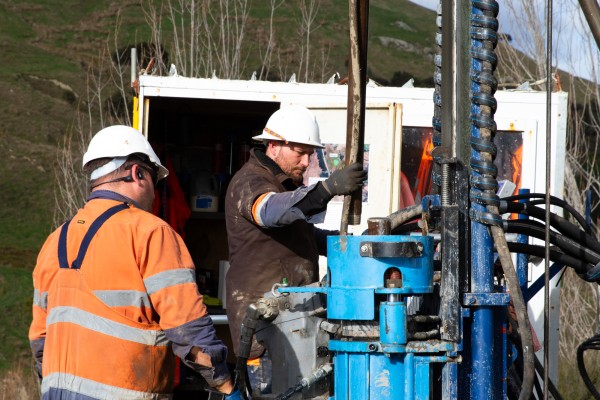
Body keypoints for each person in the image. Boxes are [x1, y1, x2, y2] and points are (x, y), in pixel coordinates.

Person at [29, 125, 240, 400]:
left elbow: (40, 341)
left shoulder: (55, 241)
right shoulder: (151, 232)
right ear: (137, 173)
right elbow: (189, 332)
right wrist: (226, 386)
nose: (155, 195)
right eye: (155, 182)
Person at [224, 105, 366, 394]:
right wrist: (326, 189)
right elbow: (270, 212)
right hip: (267, 332)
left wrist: (352, 247)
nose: (306, 161)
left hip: (294, 325)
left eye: (310, 154)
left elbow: (303, 236)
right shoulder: (251, 182)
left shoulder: (283, 184)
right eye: (300, 152)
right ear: (274, 145)